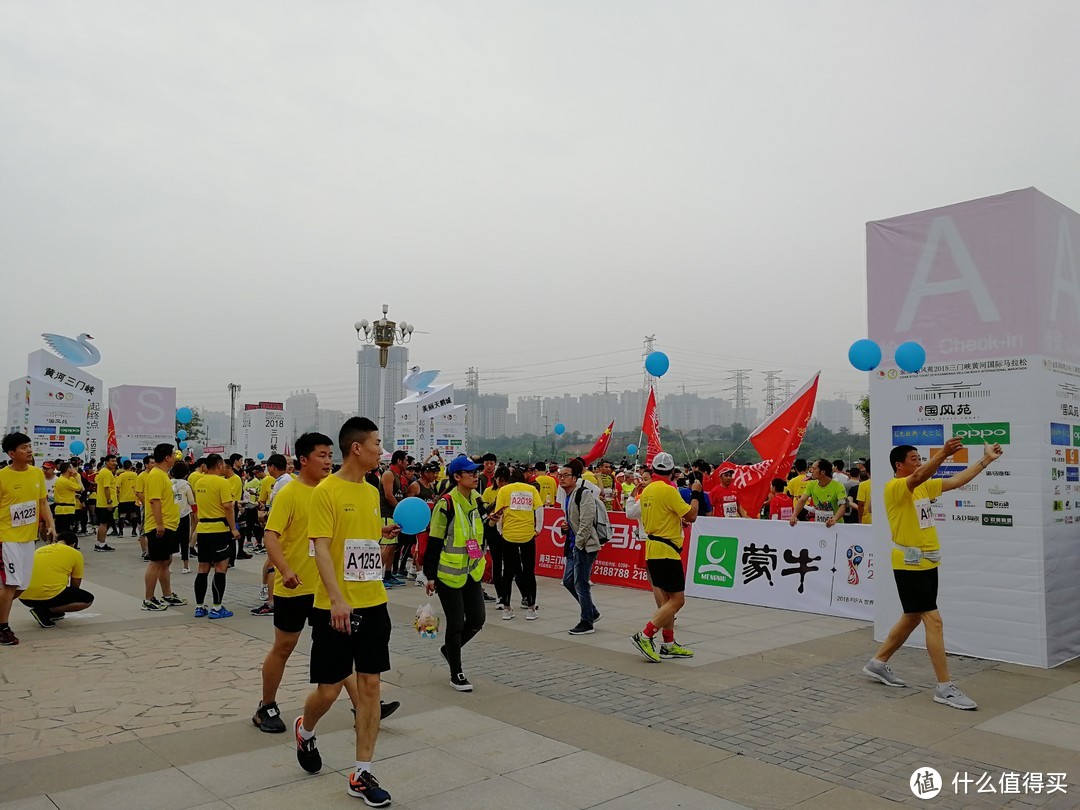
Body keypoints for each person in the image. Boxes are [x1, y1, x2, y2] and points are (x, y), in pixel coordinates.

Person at [295, 418, 396, 806]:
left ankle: (361, 772)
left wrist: (381, 537)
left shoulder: (371, 491)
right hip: (333, 607)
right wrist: (337, 599)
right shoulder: (326, 492)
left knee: (370, 686)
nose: (380, 450)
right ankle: (305, 729)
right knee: (330, 688)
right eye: (376, 443)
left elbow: (359, 543)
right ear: (357, 448)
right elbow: (321, 548)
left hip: (374, 602)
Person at [862, 438, 1003, 711]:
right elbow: (918, 475)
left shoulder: (924, 487)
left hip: (927, 561)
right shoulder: (895, 487)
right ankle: (944, 687)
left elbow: (958, 480)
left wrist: (986, 460)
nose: (919, 462)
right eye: (914, 458)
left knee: (912, 616)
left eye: (919, 457)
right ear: (898, 465)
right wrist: (943, 454)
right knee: (933, 621)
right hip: (909, 562)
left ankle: (878, 663)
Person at [424, 456, 487, 692]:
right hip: (448, 573)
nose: (475, 475)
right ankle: (456, 673)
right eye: (470, 473)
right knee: (456, 623)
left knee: (477, 619)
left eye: (476, 472)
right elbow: (434, 541)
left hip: (471, 571)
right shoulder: (446, 504)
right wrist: (429, 575)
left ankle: (449, 650)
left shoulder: (478, 500)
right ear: (457, 477)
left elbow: (479, 532)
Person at [630, 452, 700, 663]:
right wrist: (695, 494)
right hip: (667, 551)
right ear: (672, 472)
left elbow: (663, 515)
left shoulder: (648, 489)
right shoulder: (669, 490)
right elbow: (692, 515)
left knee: (668, 600)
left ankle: (668, 644)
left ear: (653, 470)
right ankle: (645, 635)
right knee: (678, 600)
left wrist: (677, 522)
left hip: (653, 549)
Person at [0, 433, 55, 645]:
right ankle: (3, 628)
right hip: (7, 537)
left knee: (22, 586)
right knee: (11, 583)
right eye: (24, 447)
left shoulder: (36, 474)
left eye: (30, 446)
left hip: (28, 538)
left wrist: (50, 524)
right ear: (12, 453)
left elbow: (42, 503)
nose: (29, 450)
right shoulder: (3, 476)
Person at [192, 454, 240, 619]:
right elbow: (228, 506)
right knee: (220, 569)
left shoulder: (199, 481)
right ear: (220, 465)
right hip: (219, 529)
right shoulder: (222, 482)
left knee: (203, 569)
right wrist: (233, 528)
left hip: (203, 529)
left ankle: (199, 607)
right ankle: (217, 608)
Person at [141, 444, 188, 611]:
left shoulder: (163, 475)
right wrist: (159, 524)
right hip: (159, 526)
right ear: (167, 457)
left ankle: (167, 595)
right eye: (174, 454)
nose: (176, 457)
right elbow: (154, 501)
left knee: (166, 561)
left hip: (169, 525)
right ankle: (148, 598)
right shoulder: (155, 475)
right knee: (156, 562)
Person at [493, 467, 543, 620]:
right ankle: (531, 608)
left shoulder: (503, 490)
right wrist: (538, 528)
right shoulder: (531, 489)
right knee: (529, 572)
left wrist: (501, 530)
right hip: (528, 535)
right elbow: (540, 509)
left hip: (509, 535)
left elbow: (499, 513)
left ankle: (507, 609)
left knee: (508, 573)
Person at [558, 460, 601, 635]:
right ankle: (591, 611)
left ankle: (587, 622)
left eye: (566, 475)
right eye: (559, 475)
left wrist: (578, 544)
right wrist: (565, 527)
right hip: (572, 545)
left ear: (575, 478)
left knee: (581, 583)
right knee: (568, 581)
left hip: (584, 546)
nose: (561, 479)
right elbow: (574, 522)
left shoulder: (583, 493)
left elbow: (587, 521)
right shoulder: (567, 496)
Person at [18, 530, 94, 627]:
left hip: (23, 596)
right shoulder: (75, 553)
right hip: (47, 595)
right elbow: (75, 584)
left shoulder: (40, 549)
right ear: (73, 544)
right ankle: (44, 611)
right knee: (87, 599)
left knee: (55, 591)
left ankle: (49, 611)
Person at [378, 450, 408, 587]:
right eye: (406, 460)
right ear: (399, 461)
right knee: (387, 546)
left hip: (394, 515)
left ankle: (388, 575)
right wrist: (401, 510)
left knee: (393, 546)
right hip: (387, 514)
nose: (407, 463)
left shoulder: (399, 475)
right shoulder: (389, 474)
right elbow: (389, 495)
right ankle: (377, 576)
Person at [172, 461, 196, 575]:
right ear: (186, 473)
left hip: (171, 516)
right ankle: (185, 566)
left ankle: (169, 566)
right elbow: (191, 501)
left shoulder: (169, 483)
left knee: (171, 541)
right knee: (184, 541)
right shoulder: (186, 485)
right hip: (184, 515)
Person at [93, 455, 118, 552]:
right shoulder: (106, 473)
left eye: (115, 461)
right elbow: (106, 488)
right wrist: (109, 502)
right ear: (107, 462)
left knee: (104, 523)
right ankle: (101, 544)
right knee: (104, 523)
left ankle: (99, 543)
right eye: (112, 461)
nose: (114, 463)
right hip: (105, 503)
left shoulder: (103, 472)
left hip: (102, 502)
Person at [53, 462, 84, 540]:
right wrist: (77, 476)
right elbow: (81, 488)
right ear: (68, 470)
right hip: (66, 509)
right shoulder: (65, 481)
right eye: (72, 468)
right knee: (66, 530)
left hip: (61, 508)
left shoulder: (61, 479)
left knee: (61, 530)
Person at [116, 460, 139, 539]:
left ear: (123, 466)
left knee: (122, 515)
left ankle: (121, 532)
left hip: (123, 499)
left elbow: (117, 487)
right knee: (134, 515)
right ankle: (134, 531)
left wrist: (117, 495)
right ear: (130, 466)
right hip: (134, 498)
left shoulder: (121, 476)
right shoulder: (135, 475)